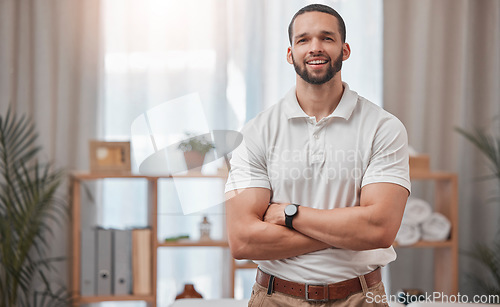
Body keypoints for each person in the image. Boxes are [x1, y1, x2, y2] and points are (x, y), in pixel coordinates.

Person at [225, 4, 410, 306]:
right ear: (290, 54)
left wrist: (290, 215)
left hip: (360, 297)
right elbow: (243, 239)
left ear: (345, 49)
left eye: (326, 38)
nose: (315, 48)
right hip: (276, 298)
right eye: (303, 40)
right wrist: (348, 233)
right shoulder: (256, 132)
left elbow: (379, 230)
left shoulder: (383, 128)